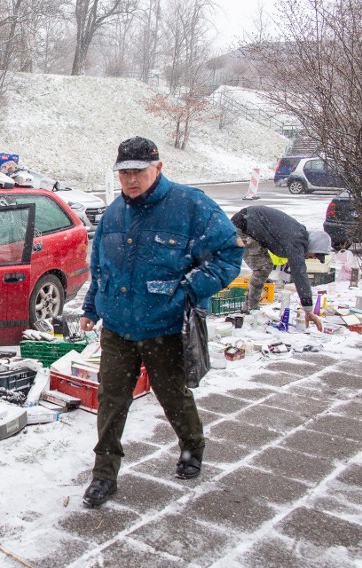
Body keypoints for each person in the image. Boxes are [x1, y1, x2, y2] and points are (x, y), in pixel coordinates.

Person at [78, 136, 243, 508]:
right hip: (118, 328)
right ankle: (104, 475)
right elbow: (100, 267)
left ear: (159, 168)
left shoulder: (190, 205)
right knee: (111, 402)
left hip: (165, 328)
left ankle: (192, 446)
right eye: (124, 173)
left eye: (138, 171)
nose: (130, 180)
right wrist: (91, 307)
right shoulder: (114, 214)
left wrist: (187, 290)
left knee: (172, 396)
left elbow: (228, 254)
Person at [230, 206, 332, 331]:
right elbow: (300, 274)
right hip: (243, 227)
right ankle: (251, 310)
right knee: (263, 267)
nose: (312, 258)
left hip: (249, 223)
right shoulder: (296, 242)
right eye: (314, 255)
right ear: (313, 246)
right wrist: (308, 308)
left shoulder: (298, 236)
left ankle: (250, 308)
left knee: (265, 266)